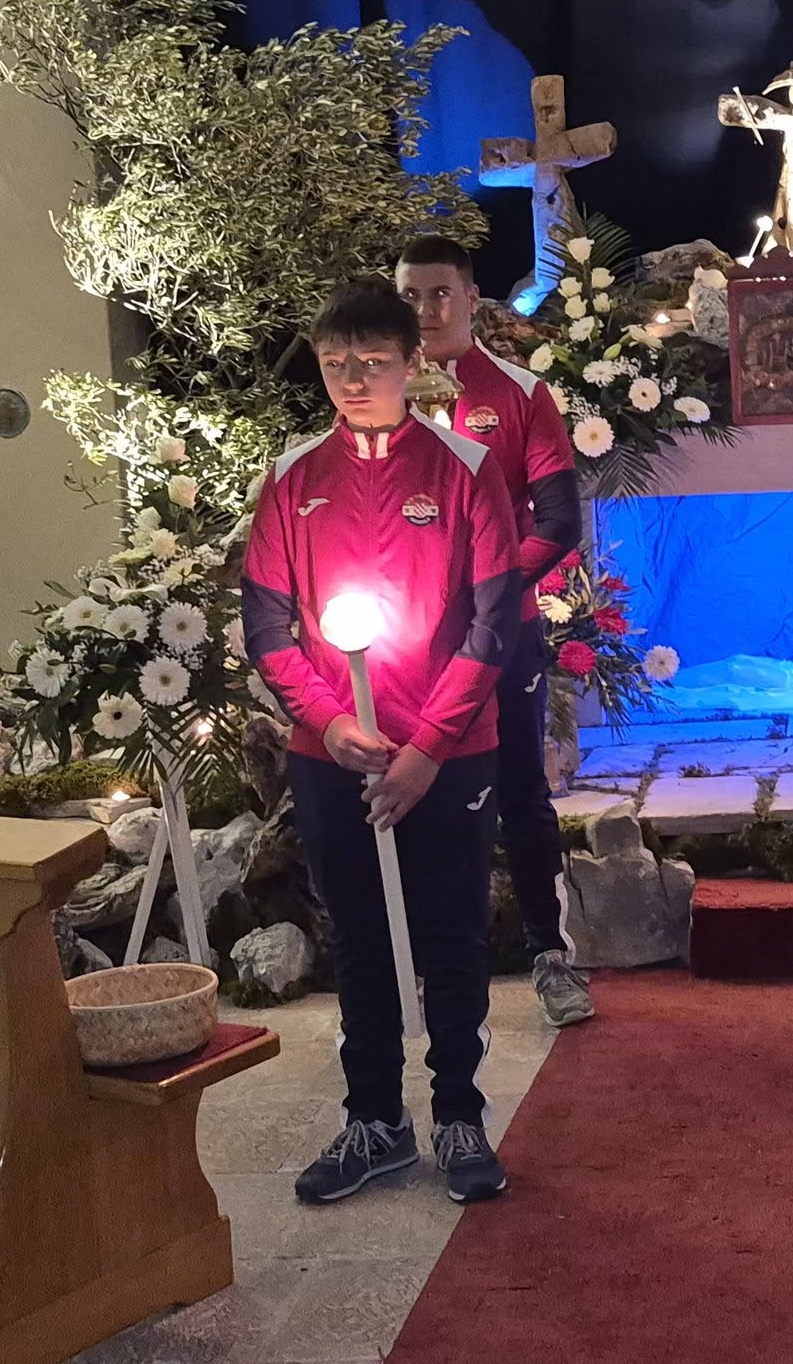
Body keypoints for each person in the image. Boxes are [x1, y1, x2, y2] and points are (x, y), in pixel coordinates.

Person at [243, 279, 523, 1205]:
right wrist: (330, 721)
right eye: (336, 364)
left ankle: (459, 1114)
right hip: (335, 753)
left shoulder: (465, 467)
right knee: (357, 934)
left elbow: (494, 620)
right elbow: (268, 625)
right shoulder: (293, 478)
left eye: (373, 362)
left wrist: (428, 747)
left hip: (449, 749)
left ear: (412, 363)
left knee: (450, 931)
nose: (354, 380)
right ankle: (375, 1121)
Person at [394, 235, 594, 1027]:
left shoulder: (518, 395)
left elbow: (559, 520)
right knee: (417, 793)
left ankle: (549, 954)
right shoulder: (376, 396)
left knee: (520, 791)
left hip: (504, 629)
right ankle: (429, 966)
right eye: (410, 295)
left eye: (440, 293)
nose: (424, 309)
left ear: (472, 299)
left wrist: (494, 589)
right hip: (408, 640)